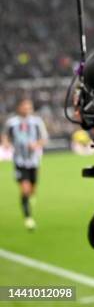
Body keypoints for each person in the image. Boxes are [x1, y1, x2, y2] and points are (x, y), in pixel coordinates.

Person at [1, 97, 48, 231]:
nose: (28, 109)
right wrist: (6, 143)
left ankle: (29, 199)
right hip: (19, 161)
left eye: (29, 107)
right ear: (19, 108)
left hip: (34, 161)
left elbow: (44, 138)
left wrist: (36, 144)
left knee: (32, 189)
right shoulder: (11, 123)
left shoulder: (37, 122)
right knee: (25, 189)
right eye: (25, 107)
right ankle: (28, 218)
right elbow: (5, 135)